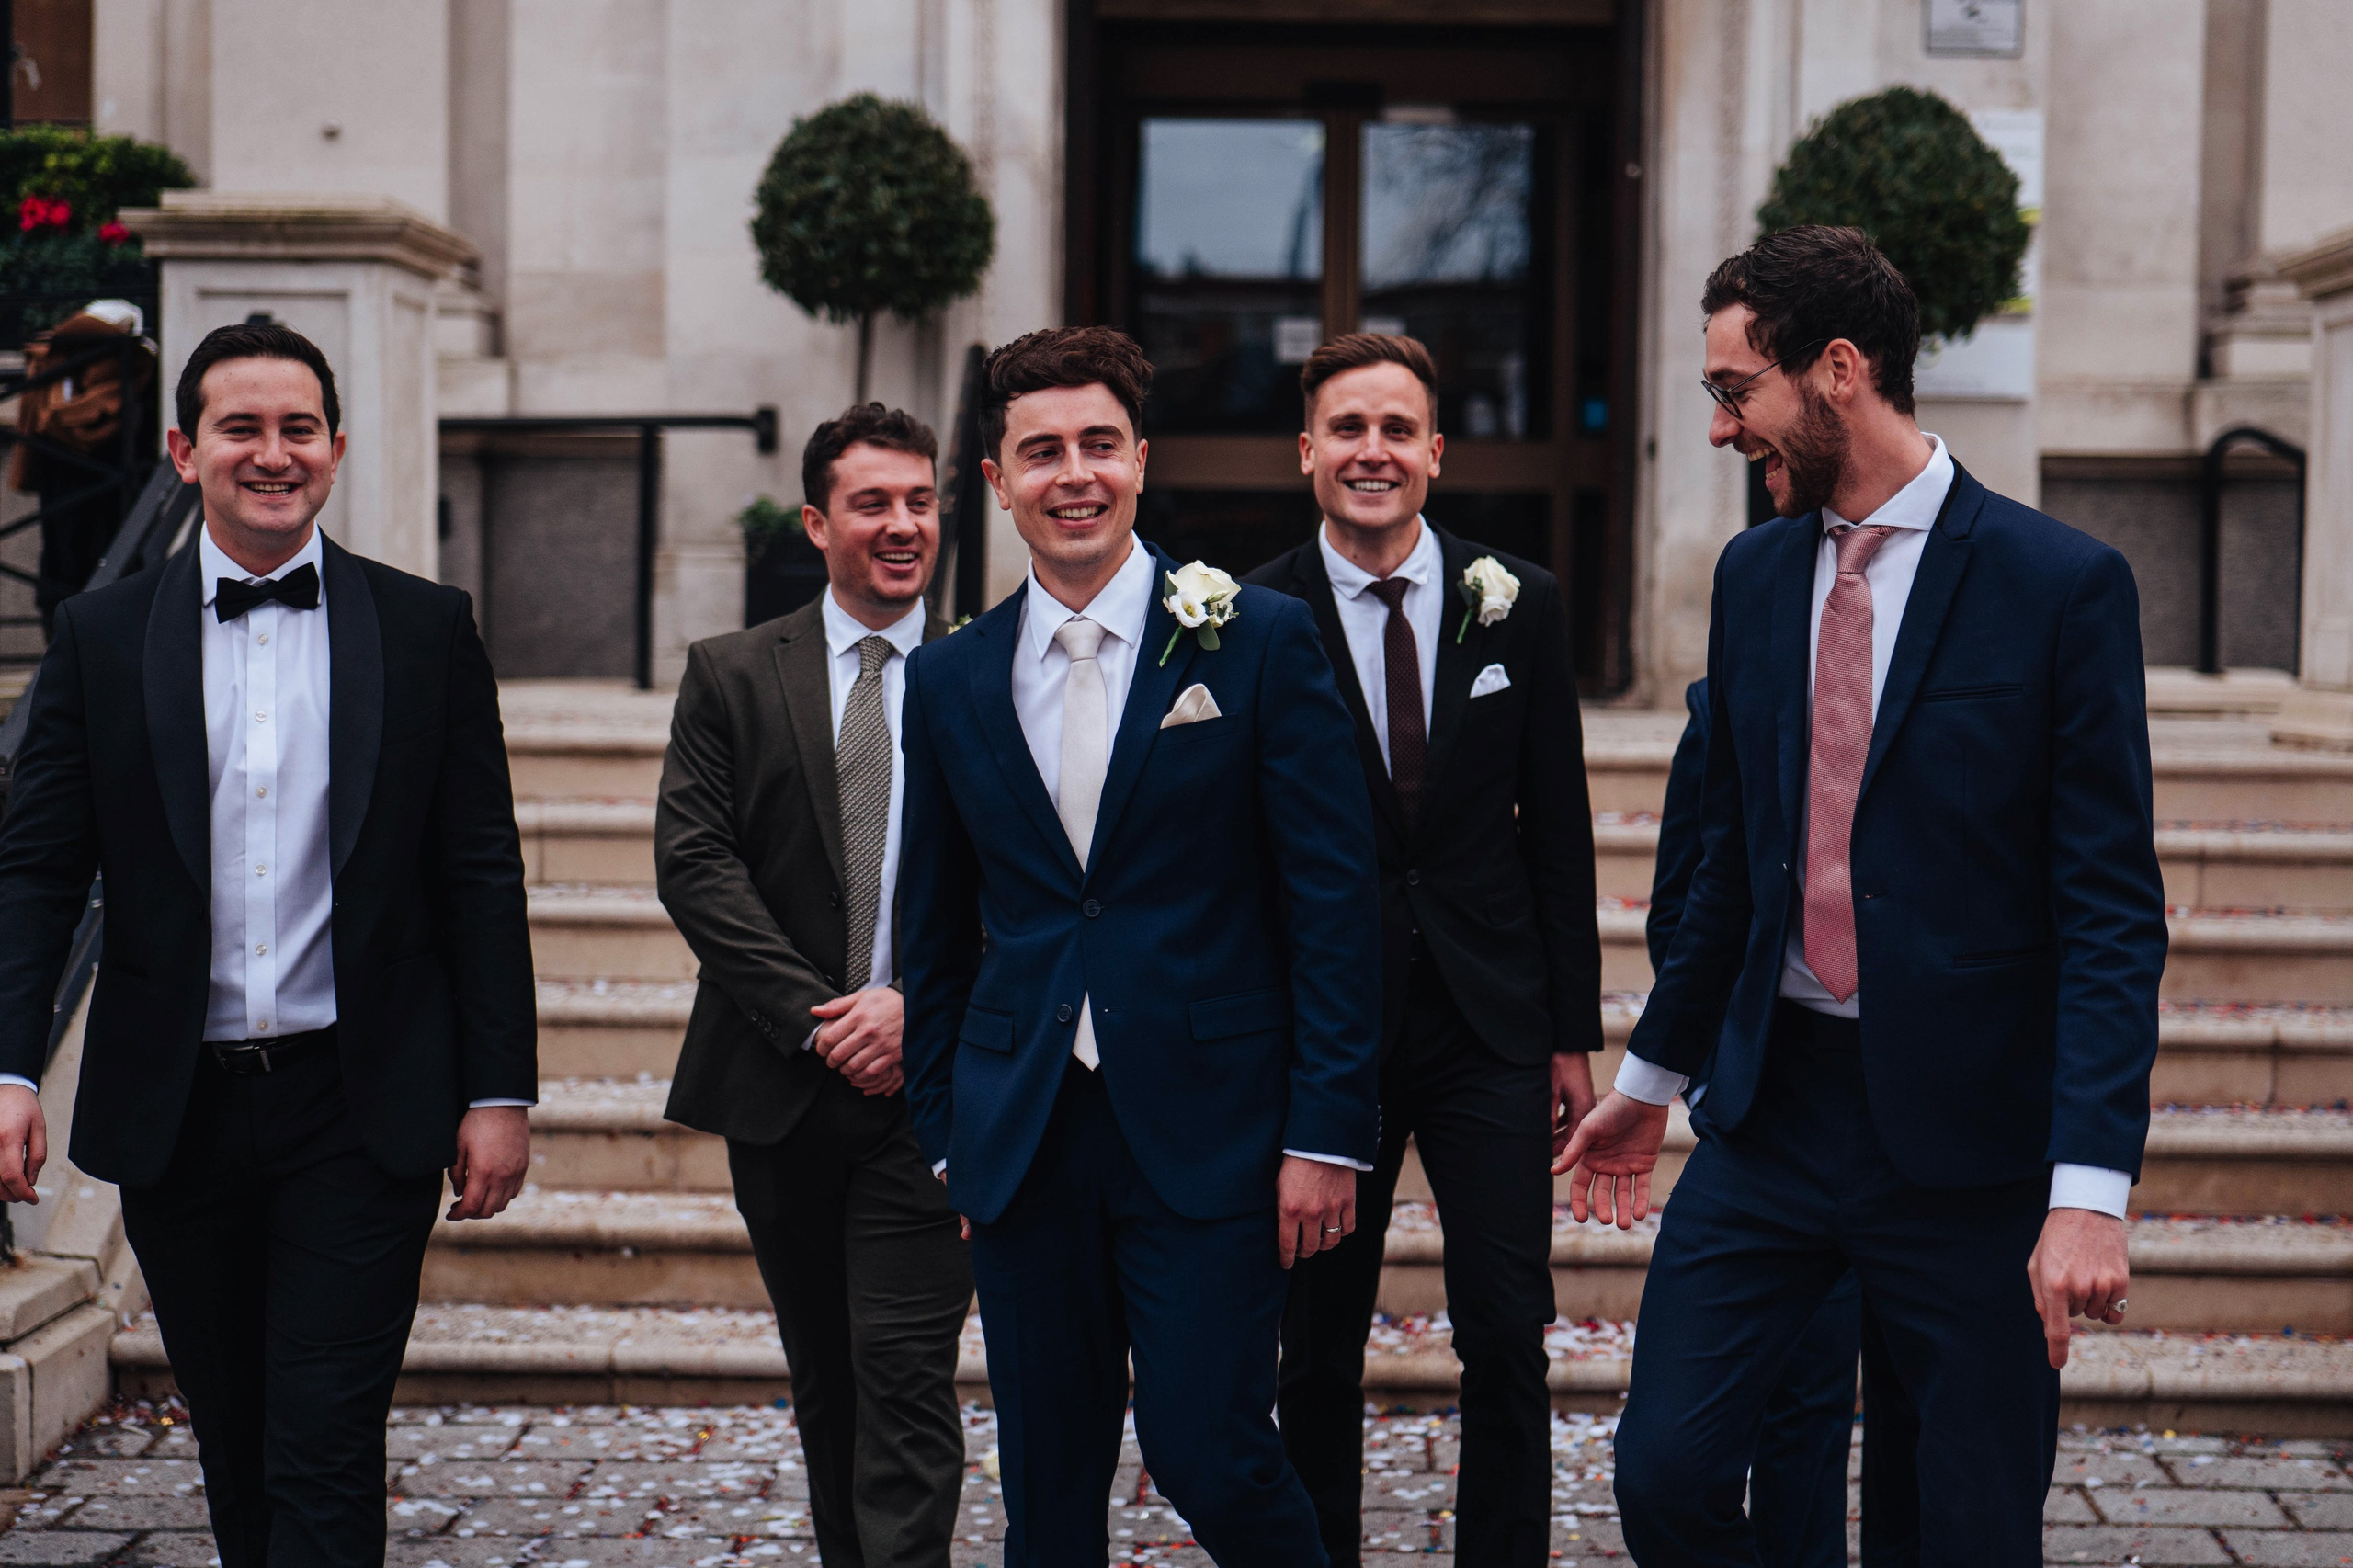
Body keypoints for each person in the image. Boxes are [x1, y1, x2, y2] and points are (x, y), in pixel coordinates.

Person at [1559, 225, 2168, 1563]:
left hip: (1969, 1145)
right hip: (1774, 1118)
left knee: (1961, 1525)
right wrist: (1651, 1078)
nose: (1721, 430)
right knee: (1663, 1471)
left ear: (1838, 370)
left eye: (1736, 391)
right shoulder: (1754, 574)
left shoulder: (2062, 586)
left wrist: (2089, 1187)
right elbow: (1734, 859)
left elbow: (2113, 909)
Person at [0, 322, 537, 1567]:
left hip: (362, 1101)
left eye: (298, 427)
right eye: (241, 427)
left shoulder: (424, 630)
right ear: (184, 451)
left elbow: (477, 871)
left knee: (324, 1440)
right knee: (236, 1443)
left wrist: (499, 1087)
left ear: (337, 451)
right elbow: (36, 869)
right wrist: (14, 1067)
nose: (272, 452)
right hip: (176, 1108)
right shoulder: (100, 635)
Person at [896, 325, 1381, 1567]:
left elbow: (1334, 900)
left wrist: (1325, 1129)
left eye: (1099, 445)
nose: (1075, 475)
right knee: (1047, 1487)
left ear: (1142, 460)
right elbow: (936, 930)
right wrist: (951, 1132)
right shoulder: (950, 681)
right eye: (1042, 450)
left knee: (1208, 1448)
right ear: (995, 481)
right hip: (1023, 1132)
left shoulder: (1257, 639)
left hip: (1214, 1127)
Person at [1244, 332, 1601, 1567]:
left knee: (1507, 1326)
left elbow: (1558, 827)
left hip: (1487, 1023)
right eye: (1347, 428)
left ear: (1437, 452)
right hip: (1322, 1031)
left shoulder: (1523, 601)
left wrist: (1571, 1031)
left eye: (1397, 429)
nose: (1372, 452)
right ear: (1307, 451)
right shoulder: (1254, 614)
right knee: (1316, 1340)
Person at [656, 402, 972, 1567]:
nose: (902, 525)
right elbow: (694, 865)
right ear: (814, 521)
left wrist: (916, 1009)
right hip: (781, 1082)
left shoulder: (989, 669)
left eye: (921, 501)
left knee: (902, 1375)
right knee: (828, 1379)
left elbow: (1037, 881)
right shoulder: (733, 672)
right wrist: (820, 1018)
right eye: (873, 503)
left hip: (932, 1088)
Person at [1654, 676, 1926, 1567]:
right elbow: (1686, 903)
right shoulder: (1730, 692)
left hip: (1940, 1106)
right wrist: (1721, 1059)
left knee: (1918, 1422)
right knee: (1799, 1389)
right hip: (1786, 1099)